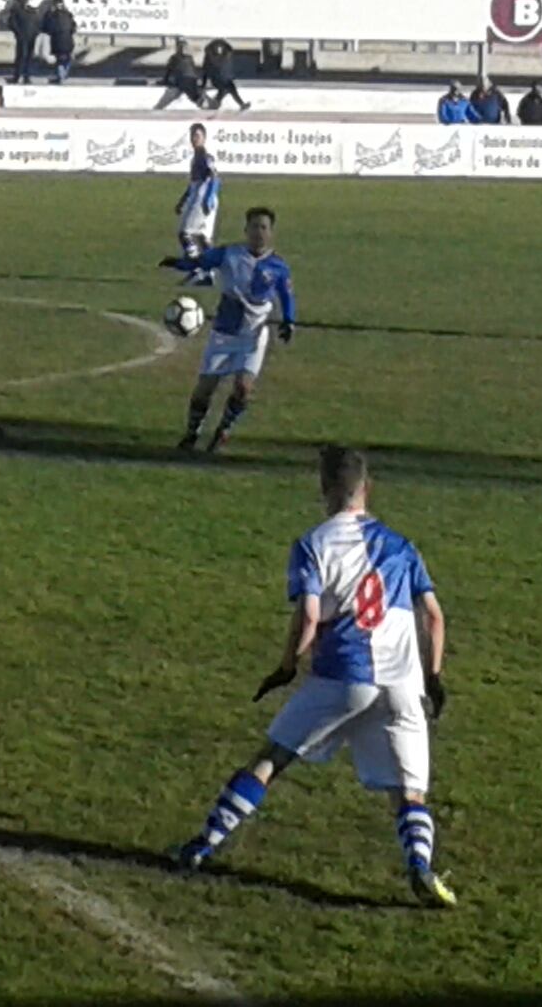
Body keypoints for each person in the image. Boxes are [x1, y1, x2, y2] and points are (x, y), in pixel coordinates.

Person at [171, 445, 456, 909]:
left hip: (344, 676)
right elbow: (434, 617)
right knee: (409, 792)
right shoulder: (402, 545)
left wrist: (287, 666)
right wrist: (434, 677)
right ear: (367, 489)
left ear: (324, 489)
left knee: (273, 758)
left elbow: (308, 616)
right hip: (404, 684)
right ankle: (420, 866)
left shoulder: (314, 543)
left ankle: (202, 846)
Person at [162, 206, 295, 455]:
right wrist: (178, 263)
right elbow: (201, 262)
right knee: (205, 388)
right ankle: (192, 433)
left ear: (271, 233)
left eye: (263, 227)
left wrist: (289, 321)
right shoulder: (229, 254)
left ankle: (223, 431)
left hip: (253, 337)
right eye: (254, 227)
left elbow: (286, 296)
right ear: (246, 230)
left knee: (243, 388)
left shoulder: (278, 266)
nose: (258, 232)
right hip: (223, 333)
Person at [175, 122, 222, 281]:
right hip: (201, 195)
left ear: (204, 138)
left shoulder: (204, 156)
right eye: (192, 136)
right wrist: (182, 200)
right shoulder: (196, 157)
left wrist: (208, 198)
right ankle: (209, 274)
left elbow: (214, 178)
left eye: (197, 136)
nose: (194, 139)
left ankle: (195, 269)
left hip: (203, 197)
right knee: (202, 237)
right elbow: (193, 184)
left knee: (185, 234)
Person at [0, 0, 43, 85]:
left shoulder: (34, 11)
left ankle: (26, 77)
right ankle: (18, 77)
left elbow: (39, 24)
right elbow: (12, 23)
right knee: (21, 57)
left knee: (28, 57)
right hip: (23, 37)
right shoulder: (18, 10)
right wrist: (18, 33)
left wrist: (35, 33)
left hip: (30, 37)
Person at [156, 39, 207, 110]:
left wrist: (165, 80)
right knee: (194, 96)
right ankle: (205, 107)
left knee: (194, 96)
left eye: (183, 47)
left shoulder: (180, 58)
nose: (182, 49)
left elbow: (169, 71)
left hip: (184, 81)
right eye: (181, 47)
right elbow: (193, 71)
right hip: (185, 81)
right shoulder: (183, 58)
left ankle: (158, 108)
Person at [202, 39, 251, 111]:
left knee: (228, 88)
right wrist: (204, 83)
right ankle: (217, 102)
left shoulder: (225, 56)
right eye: (217, 46)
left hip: (224, 78)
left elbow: (229, 52)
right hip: (216, 79)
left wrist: (224, 44)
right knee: (228, 88)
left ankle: (216, 102)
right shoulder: (211, 58)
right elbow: (205, 71)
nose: (219, 49)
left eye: (221, 47)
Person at [42, 0, 78, 84]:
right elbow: (73, 27)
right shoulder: (68, 14)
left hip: (57, 41)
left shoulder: (51, 15)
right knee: (67, 58)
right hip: (68, 40)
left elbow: (47, 28)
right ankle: (63, 75)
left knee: (60, 60)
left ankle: (61, 76)